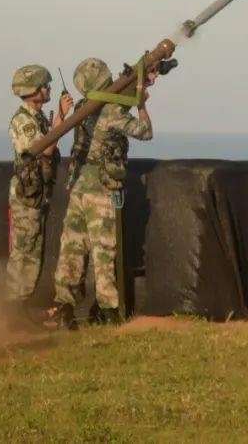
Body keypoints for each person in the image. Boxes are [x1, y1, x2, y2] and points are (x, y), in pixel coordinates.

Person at [50, 57, 155, 329]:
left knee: (71, 247)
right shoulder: (112, 113)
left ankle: (65, 307)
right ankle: (108, 310)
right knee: (104, 250)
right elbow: (146, 132)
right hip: (100, 189)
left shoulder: (85, 107)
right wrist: (141, 105)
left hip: (77, 186)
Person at [6, 64, 73, 323]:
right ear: (32, 91)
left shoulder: (38, 117)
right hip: (27, 196)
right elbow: (43, 149)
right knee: (23, 252)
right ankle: (13, 308)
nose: (48, 90)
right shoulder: (23, 121)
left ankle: (21, 307)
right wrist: (61, 119)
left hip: (38, 193)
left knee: (34, 253)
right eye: (44, 86)